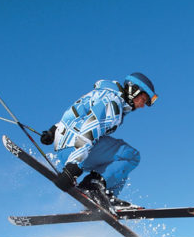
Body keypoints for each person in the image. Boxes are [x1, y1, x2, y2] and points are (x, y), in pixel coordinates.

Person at [40, 72, 158, 209]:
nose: (142, 105)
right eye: (143, 99)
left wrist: (54, 130)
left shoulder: (103, 94)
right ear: (134, 90)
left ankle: (105, 196)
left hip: (68, 148)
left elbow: (75, 113)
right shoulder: (112, 102)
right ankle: (93, 187)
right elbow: (91, 129)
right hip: (76, 151)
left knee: (120, 168)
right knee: (130, 156)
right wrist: (73, 166)